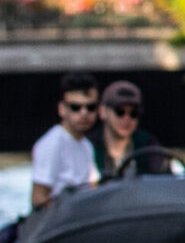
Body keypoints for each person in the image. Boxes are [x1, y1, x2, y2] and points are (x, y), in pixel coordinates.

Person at [31, 72, 99, 208]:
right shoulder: (51, 144)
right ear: (62, 109)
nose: (84, 113)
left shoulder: (87, 146)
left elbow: (93, 188)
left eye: (90, 107)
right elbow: (38, 200)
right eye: (76, 107)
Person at [90, 81, 170, 180]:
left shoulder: (149, 145)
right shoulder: (89, 146)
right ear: (103, 112)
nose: (126, 118)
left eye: (134, 113)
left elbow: (164, 183)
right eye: (119, 112)